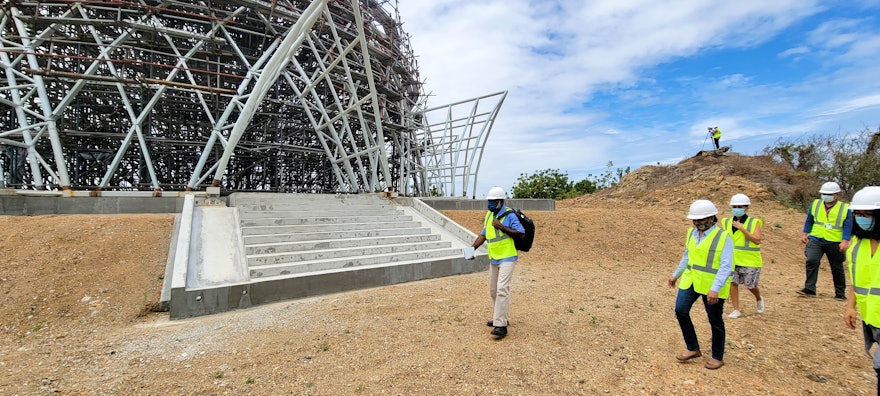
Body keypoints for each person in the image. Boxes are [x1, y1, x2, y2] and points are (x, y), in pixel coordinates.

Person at [668, 199, 733, 370]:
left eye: (701, 219)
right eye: (695, 220)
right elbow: (687, 256)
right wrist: (676, 275)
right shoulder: (692, 233)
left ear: (712, 218)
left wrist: (716, 288)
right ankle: (693, 348)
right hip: (691, 279)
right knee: (681, 311)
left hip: (712, 285)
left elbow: (726, 266)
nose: (697, 223)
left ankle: (717, 356)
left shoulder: (723, 237)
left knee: (715, 320)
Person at [469, 186, 524, 338]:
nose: (490, 204)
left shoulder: (510, 215)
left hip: (508, 256)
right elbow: (483, 234)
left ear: (501, 201)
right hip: (494, 258)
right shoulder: (488, 215)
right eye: (489, 201)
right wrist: (472, 248)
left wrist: (502, 227)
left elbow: (520, 233)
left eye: (493, 201)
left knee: (502, 289)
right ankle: (501, 317)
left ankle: (500, 325)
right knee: (493, 290)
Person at [843, 186, 880, 394]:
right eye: (858, 214)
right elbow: (856, 281)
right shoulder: (857, 245)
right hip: (871, 318)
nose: (861, 218)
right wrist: (850, 307)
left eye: (867, 214)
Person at [797, 181, 853, 300]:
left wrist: (845, 241)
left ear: (837, 194)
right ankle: (809, 288)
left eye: (829, 194)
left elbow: (848, 226)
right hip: (816, 238)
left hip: (835, 241)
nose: (826, 196)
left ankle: (840, 293)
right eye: (824, 193)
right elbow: (809, 220)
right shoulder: (815, 204)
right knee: (812, 260)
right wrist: (805, 233)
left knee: (837, 267)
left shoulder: (845, 208)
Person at [721, 193, 766, 318]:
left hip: (750, 260)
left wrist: (742, 229)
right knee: (732, 282)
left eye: (740, 206)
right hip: (732, 259)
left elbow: (757, 240)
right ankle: (736, 309)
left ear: (746, 208)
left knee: (750, 285)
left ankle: (758, 298)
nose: (737, 209)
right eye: (734, 206)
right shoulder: (726, 222)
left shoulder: (754, 222)